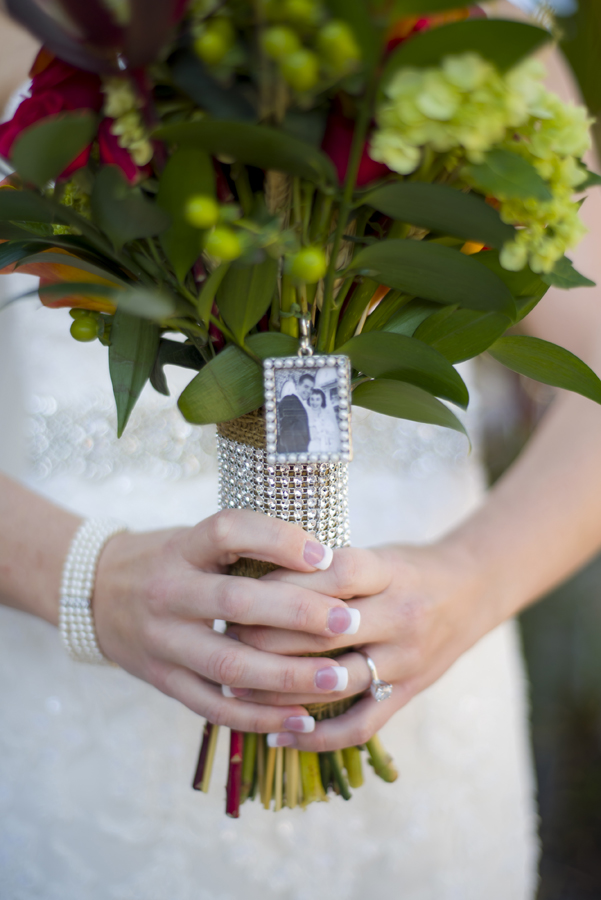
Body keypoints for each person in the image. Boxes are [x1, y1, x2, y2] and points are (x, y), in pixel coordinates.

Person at [2, 10, 601, 900]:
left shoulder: (463, 30)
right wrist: (89, 584)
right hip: (75, 715)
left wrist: (470, 581)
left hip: (426, 700)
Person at [276, 373, 313, 453]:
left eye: (311, 389)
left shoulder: (300, 404)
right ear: (298, 386)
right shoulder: (289, 400)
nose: (309, 391)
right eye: (306, 387)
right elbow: (286, 432)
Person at [307, 388, 339, 454]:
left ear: (322, 400)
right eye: (312, 399)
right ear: (309, 400)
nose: (314, 402)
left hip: (328, 448)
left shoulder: (327, 414)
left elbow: (333, 435)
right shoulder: (306, 415)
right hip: (312, 449)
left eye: (317, 399)